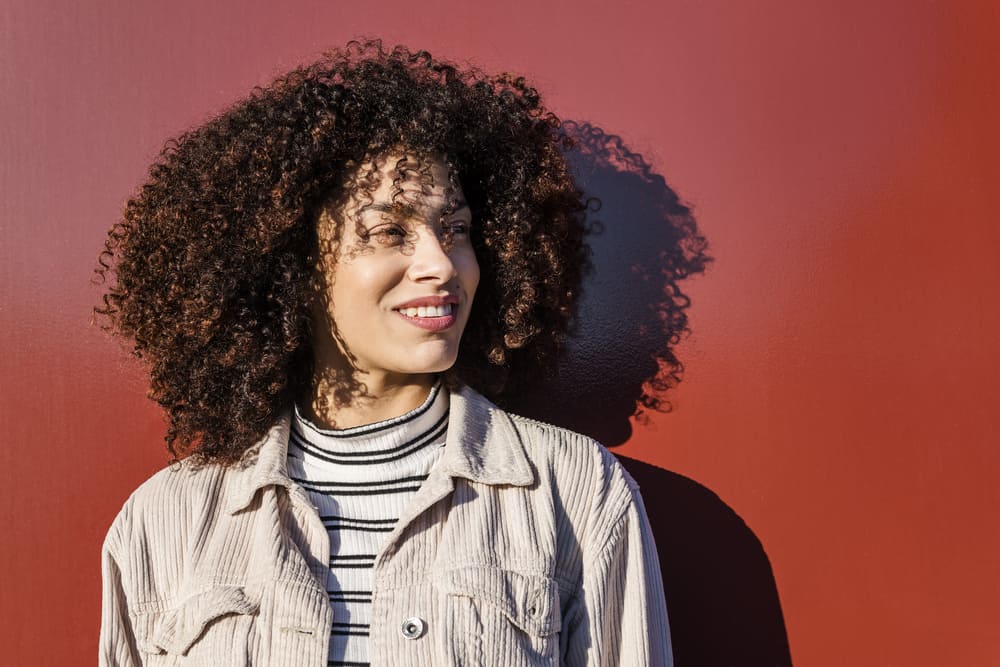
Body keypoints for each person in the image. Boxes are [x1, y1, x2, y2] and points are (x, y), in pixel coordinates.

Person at [97, 39, 672, 666]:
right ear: (293, 267)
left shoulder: (575, 491)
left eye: (455, 230)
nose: (440, 263)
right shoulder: (164, 521)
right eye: (388, 232)